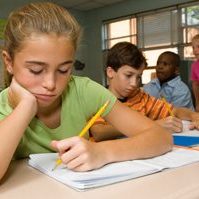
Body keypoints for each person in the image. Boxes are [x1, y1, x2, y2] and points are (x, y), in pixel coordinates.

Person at [0, 2, 172, 181]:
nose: (51, 84)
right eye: (36, 70)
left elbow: (161, 138)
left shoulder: (83, 90)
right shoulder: (2, 105)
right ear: (9, 62)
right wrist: (25, 107)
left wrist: (103, 152)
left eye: (63, 70)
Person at [90, 42, 199, 142]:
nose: (134, 83)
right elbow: (99, 132)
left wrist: (193, 115)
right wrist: (152, 125)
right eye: (128, 75)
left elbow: (174, 111)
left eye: (138, 77)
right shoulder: (98, 97)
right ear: (110, 72)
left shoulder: (140, 97)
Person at [191, 34, 199, 112]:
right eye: (193, 47)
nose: (195, 50)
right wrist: (197, 103)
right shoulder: (194, 66)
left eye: (198, 47)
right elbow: (195, 85)